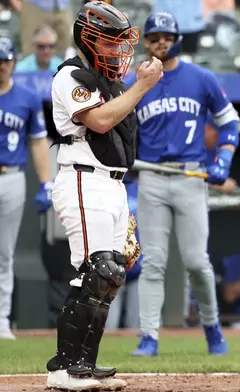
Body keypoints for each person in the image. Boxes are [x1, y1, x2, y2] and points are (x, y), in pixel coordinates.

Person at [44, 1, 162, 390]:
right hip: (82, 178)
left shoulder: (106, 81)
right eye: (110, 43)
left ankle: (83, 365)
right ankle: (65, 369)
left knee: (111, 275)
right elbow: (98, 120)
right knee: (96, 272)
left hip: (111, 184)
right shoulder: (70, 75)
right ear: (89, 39)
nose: (117, 51)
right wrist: (143, 86)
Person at [129, 11, 240, 357]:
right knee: (153, 262)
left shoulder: (200, 77)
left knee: (195, 261)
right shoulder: (138, 81)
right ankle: (149, 336)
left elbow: (231, 124)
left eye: (167, 35)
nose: (161, 41)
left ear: (177, 38)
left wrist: (223, 159)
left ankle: (212, 327)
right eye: (154, 36)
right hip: (151, 176)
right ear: (145, 42)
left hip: (191, 175)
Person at [0, 36, 52, 340]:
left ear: (13, 62)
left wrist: (46, 182)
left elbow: (38, 142)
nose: (1, 66)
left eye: (5, 60)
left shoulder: (28, 97)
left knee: (5, 253)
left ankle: (2, 320)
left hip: (12, 175)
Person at [105, 172, 142, 330]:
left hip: (139, 268)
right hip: (109, 268)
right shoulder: (103, 189)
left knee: (140, 327)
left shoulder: (144, 188)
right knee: (108, 327)